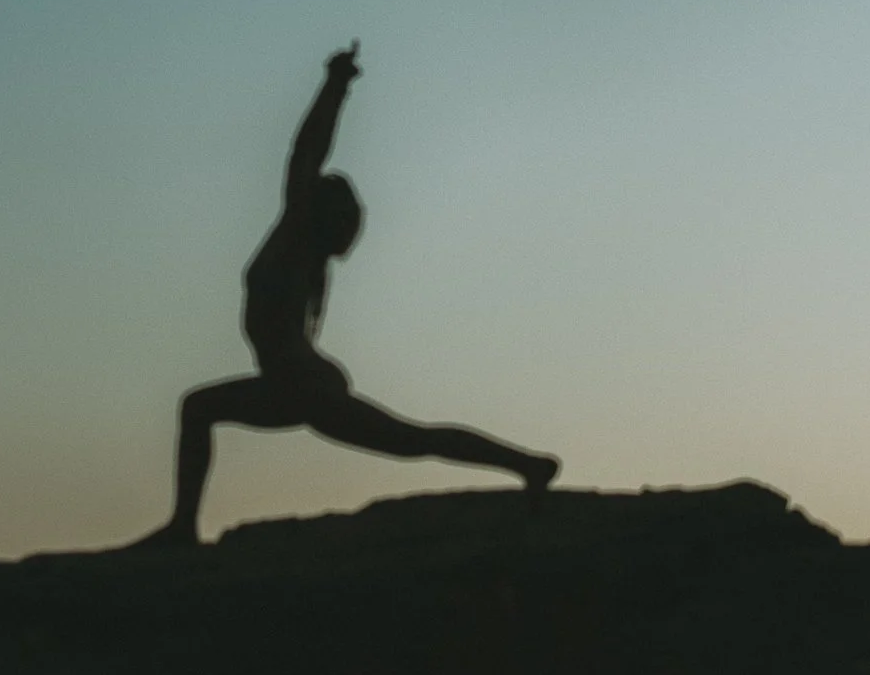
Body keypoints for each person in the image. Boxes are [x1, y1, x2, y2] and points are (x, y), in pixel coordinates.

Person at [133, 42, 558, 548]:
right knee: (405, 439)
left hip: (302, 384)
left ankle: (527, 465)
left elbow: (307, 150)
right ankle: (526, 464)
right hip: (297, 381)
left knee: (409, 440)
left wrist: (335, 86)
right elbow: (307, 160)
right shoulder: (301, 253)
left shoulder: (296, 242)